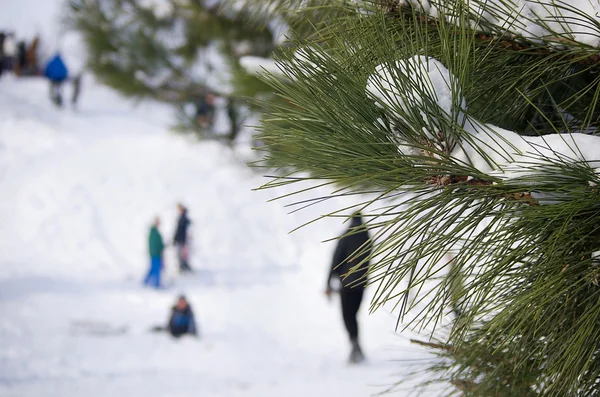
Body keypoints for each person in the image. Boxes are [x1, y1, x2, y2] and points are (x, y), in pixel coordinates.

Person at [325, 213, 372, 364]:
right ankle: (357, 347)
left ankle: (355, 347)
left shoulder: (345, 236)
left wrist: (328, 283)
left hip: (347, 284)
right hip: (361, 284)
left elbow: (335, 260)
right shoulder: (367, 237)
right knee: (354, 316)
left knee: (347, 316)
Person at [144, 217, 165, 288]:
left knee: (153, 268)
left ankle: (145, 281)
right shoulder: (153, 232)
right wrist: (160, 248)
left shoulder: (154, 231)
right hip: (155, 254)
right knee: (156, 269)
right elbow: (155, 244)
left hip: (155, 253)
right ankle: (156, 284)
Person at [173, 203, 193, 273]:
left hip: (182, 240)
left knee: (182, 254)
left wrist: (175, 238)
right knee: (181, 254)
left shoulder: (183, 218)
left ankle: (183, 267)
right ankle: (183, 266)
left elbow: (179, 230)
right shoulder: (182, 217)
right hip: (181, 239)